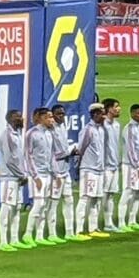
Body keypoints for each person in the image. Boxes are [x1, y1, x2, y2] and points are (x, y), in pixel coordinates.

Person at [0, 110, 33, 251]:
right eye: (17, 117)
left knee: (17, 208)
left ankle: (14, 239)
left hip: (17, 178)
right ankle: (3, 242)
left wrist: (23, 174)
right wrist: (21, 175)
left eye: (21, 116)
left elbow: (19, 158)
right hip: (9, 178)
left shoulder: (17, 134)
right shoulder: (7, 135)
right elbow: (9, 159)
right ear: (10, 119)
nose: (21, 119)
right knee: (6, 207)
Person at [48, 104, 85, 243]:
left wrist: (69, 151)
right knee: (53, 202)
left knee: (69, 200)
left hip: (65, 170)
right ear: (52, 115)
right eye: (58, 114)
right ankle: (52, 234)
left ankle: (69, 232)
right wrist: (70, 151)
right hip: (55, 172)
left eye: (63, 114)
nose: (61, 116)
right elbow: (55, 154)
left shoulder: (62, 127)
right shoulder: (50, 131)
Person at [23, 107, 58, 246]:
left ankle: (39, 236)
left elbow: (52, 156)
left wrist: (56, 174)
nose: (52, 120)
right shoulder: (31, 134)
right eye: (49, 117)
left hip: (48, 174)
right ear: (42, 118)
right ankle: (27, 234)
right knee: (38, 204)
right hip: (37, 175)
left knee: (44, 206)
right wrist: (35, 176)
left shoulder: (50, 134)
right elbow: (28, 156)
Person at [74, 103, 110, 239]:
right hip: (88, 169)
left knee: (96, 199)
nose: (104, 116)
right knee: (85, 198)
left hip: (99, 169)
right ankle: (78, 230)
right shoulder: (87, 130)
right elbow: (80, 150)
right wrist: (78, 167)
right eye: (102, 114)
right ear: (95, 114)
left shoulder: (101, 129)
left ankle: (93, 228)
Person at [118, 104, 139, 232]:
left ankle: (132, 220)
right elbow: (131, 150)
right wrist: (137, 166)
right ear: (132, 114)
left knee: (138, 193)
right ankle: (121, 223)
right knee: (128, 192)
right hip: (130, 166)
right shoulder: (130, 129)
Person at [102, 98, 122, 232]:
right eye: (116, 106)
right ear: (109, 109)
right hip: (105, 166)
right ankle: (96, 224)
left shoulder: (117, 125)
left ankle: (108, 223)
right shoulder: (103, 125)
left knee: (111, 195)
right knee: (102, 195)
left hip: (114, 165)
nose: (119, 109)